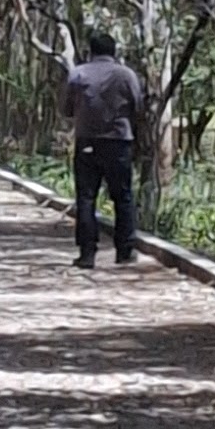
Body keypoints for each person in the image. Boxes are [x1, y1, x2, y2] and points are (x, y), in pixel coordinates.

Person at [63, 28, 145, 270]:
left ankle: (87, 253)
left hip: (87, 142)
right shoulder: (126, 75)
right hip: (119, 142)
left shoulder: (78, 74)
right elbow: (138, 107)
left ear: (90, 51)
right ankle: (124, 251)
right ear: (114, 51)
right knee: (123, 197)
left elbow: (66, 109)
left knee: (86, 198)